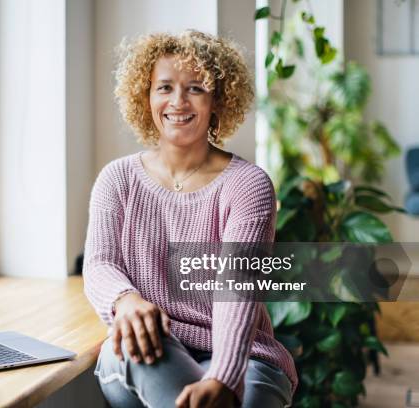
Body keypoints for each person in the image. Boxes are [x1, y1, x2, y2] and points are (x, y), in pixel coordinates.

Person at [83, 30, 297, 408]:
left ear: (218, 100)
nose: (178, 102)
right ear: (145, 96)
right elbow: (100, 264)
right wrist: (126, 300)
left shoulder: (249, 186)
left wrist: (224, 379)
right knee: (134, 345)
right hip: (152, 344)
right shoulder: (117, 179)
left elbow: (239, 286)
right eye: (164, 87)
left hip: (244, 357)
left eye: (196, 88)